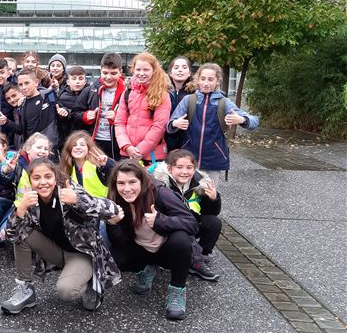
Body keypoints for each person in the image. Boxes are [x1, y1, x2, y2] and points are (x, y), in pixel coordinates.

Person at [0, 159, 122, 314]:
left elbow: (112, 210)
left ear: (55, 177)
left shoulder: (68, 190)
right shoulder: (30, 200)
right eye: (36, 178)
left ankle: (92, 282)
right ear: (30, 180)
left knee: (66, 291)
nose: (43, 182)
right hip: (57, 252)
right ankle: (26, 290)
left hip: (82, 254)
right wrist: (21, 209)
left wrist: (78, 200)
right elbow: (11, 237)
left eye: (48, 176)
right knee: (21, 234)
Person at [105, 159, 198, 320]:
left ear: (142, 180)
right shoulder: (115, 198)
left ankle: (177, 290)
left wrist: (161, 220)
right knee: (114, 255)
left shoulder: (160, 193)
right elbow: (119, 242)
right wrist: (112, 223)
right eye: (121, 183)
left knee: (181, 240)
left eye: (132, 182)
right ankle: (145, 271)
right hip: (140, 248)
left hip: (166, 250)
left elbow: (192, 224)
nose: (126, 189)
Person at [167, 63, 259, 183]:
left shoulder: (224, 103)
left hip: (213, 162)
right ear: (198, 80)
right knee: (186, 198)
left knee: (210, 197)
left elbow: (254, 121)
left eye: (210, 79)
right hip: (188, 161)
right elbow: (169, 125)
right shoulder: (188, 100)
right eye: (203, 79)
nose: (206, 83)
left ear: (217, 81)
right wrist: (175, 124)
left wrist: (242, 120)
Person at [153, 149, 223, 281]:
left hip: (191, 222)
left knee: (214, 222)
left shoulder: (200, 183)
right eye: (179, 167)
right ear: (169, 168)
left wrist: (213, 199)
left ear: (195, 169)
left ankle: (200, 256)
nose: (184, 172)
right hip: (169, 225)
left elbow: (211, 212)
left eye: (189, 168)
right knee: (184, 226)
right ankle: (190, 260)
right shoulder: (161, 184)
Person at [114, 52, 171, 164]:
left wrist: (139, 151)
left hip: (152, 155)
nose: (141, 73)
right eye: (138, 70)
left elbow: (159, 127)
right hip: (127, 153)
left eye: (146, 70)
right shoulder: (128, 92)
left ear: (154, 70)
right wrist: (126, 146)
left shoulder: (162, 95)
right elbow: (119, 122)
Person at [81, 53, 126, 160]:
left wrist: (117, 118)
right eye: (105, 73)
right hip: (94, 140)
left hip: (117, 142)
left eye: (113, 73)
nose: (108, 77)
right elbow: (76, 112)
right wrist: (86, 116)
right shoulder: (91, 90)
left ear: (120, 72)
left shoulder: (127, 92)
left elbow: (134, 119)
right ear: (100, 71)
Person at [6, 69, 59, 149]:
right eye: (20, 84)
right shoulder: (21, 104)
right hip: (31, 148)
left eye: (27, 83)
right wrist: (7, 122)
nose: (24, 87)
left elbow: (60, 109)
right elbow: (21, 129)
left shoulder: (48, 95)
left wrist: (65, 111)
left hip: (48, 147)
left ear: (36, 82)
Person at [56, 66, 91, 147]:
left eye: (80, 78)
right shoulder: (62, 97)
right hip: (67, 138)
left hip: (85, 137)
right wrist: (63, 113)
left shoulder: (90, 94)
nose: (77, 82)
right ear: (68, 82)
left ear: (85, 81)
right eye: (74, 79)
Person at [165, 56, 194, 151]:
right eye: (176, 67)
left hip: (189, 141)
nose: (180, 70)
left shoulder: (196, 93)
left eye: (184, 67)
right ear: (170, 73)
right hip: (166, 141)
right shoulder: (162, 91)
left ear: (189, 73)